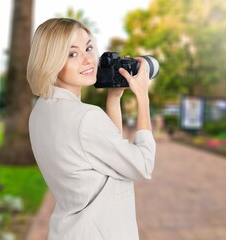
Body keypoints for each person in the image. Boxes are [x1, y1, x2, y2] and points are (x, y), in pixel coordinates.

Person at [27, 18, 156, 240]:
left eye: (88, 47)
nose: (88, 59)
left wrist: (114, 99)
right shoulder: (86, 118)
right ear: (52, 60)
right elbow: (142, 166)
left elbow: (109, 152)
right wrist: (142, 97)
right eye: (72, 54)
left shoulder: (40, 112)